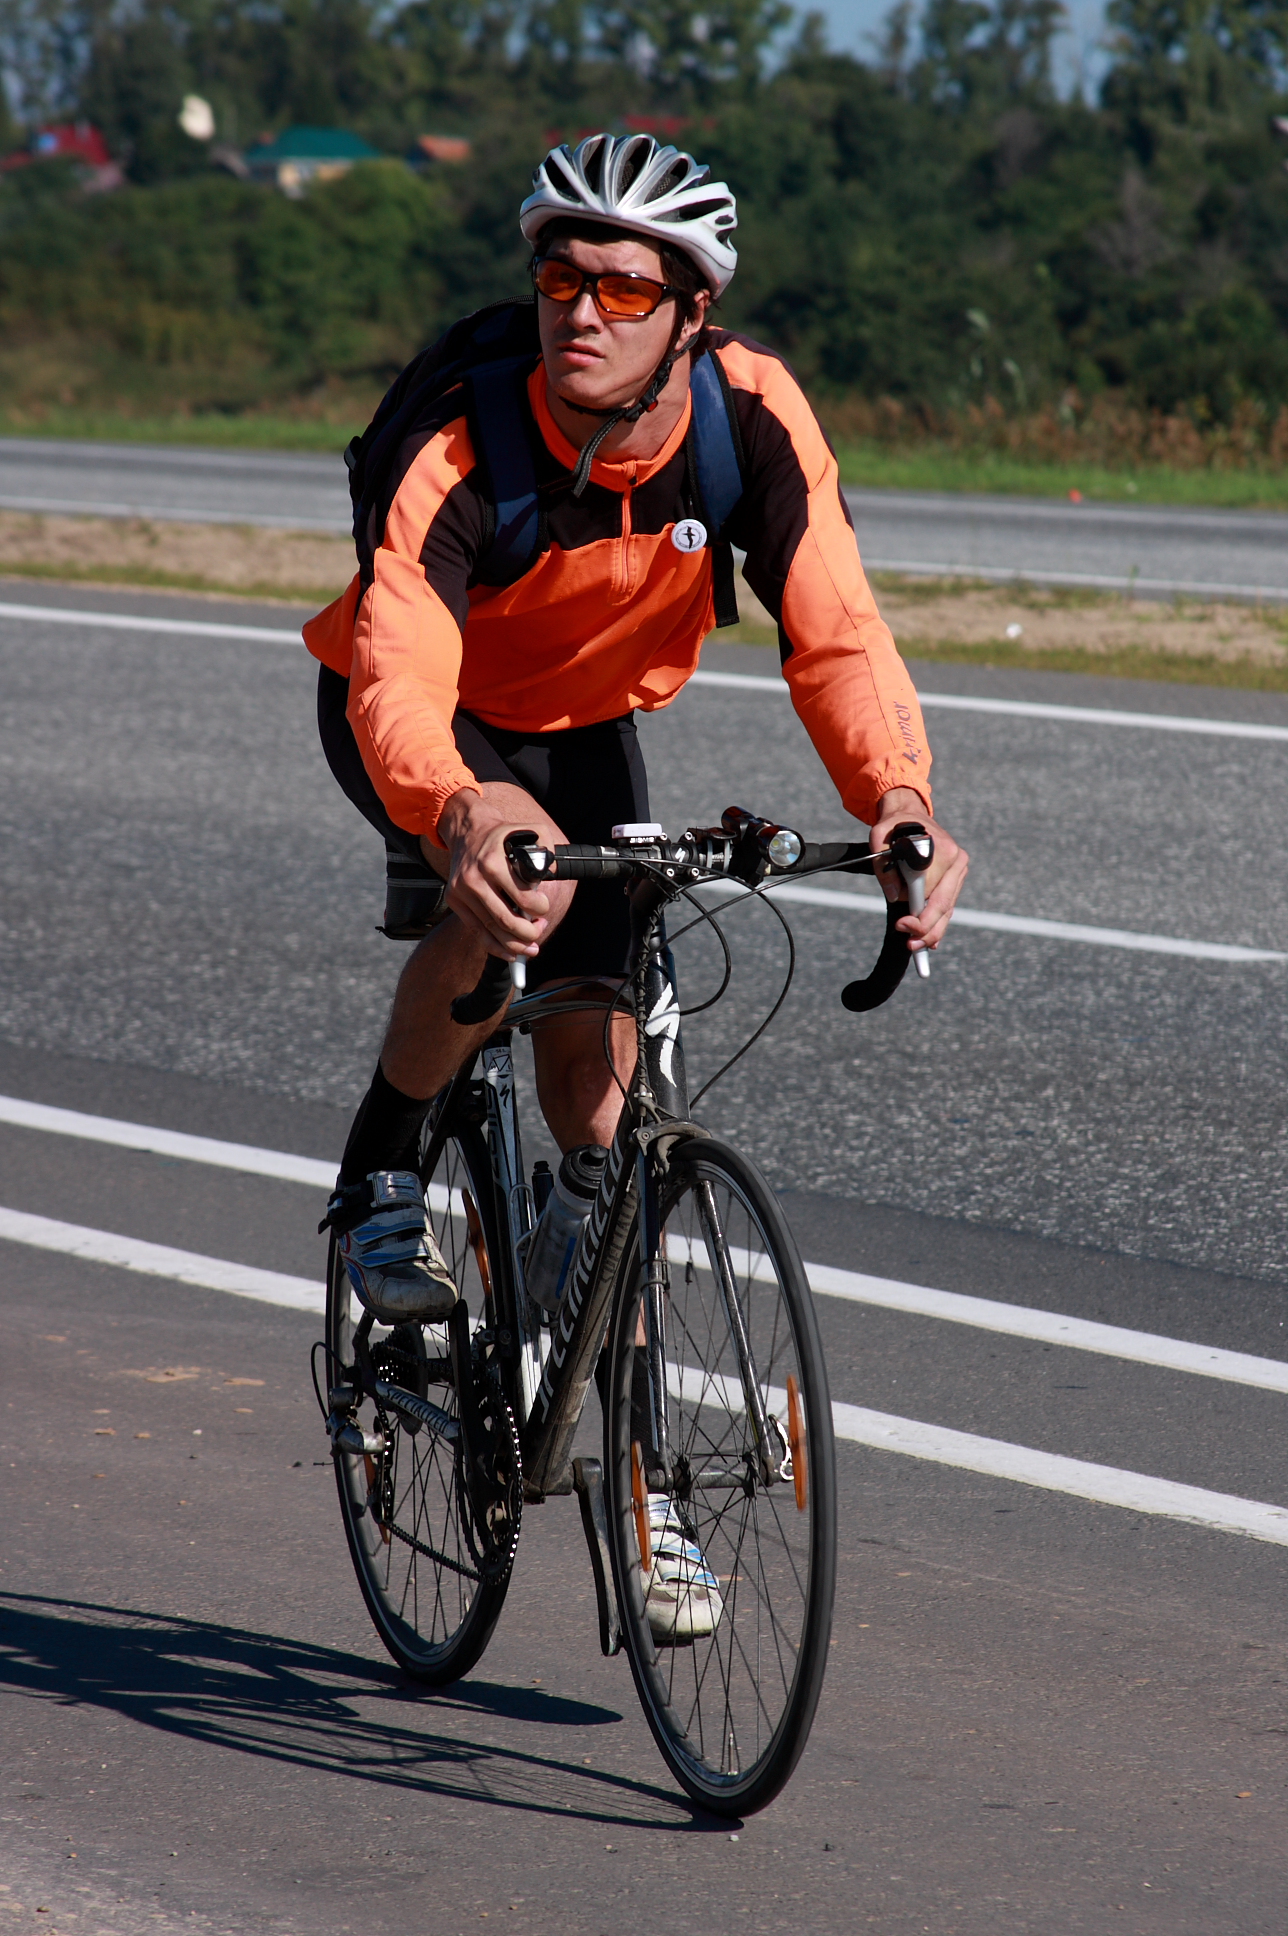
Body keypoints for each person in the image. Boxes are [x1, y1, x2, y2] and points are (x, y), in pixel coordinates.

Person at [306, 134, 968, 1621]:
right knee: (502, 918)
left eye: (621, 288)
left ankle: (639, 1482)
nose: (581, 312)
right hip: (430, 721)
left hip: (585, 722)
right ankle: (383, 1178)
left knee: (603, 1109)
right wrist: (462, 808)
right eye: (561, 280)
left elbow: (838, 633)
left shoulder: (750, 417)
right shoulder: (462, 439)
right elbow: (399, 671)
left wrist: (899, 803)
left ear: (691, 313)